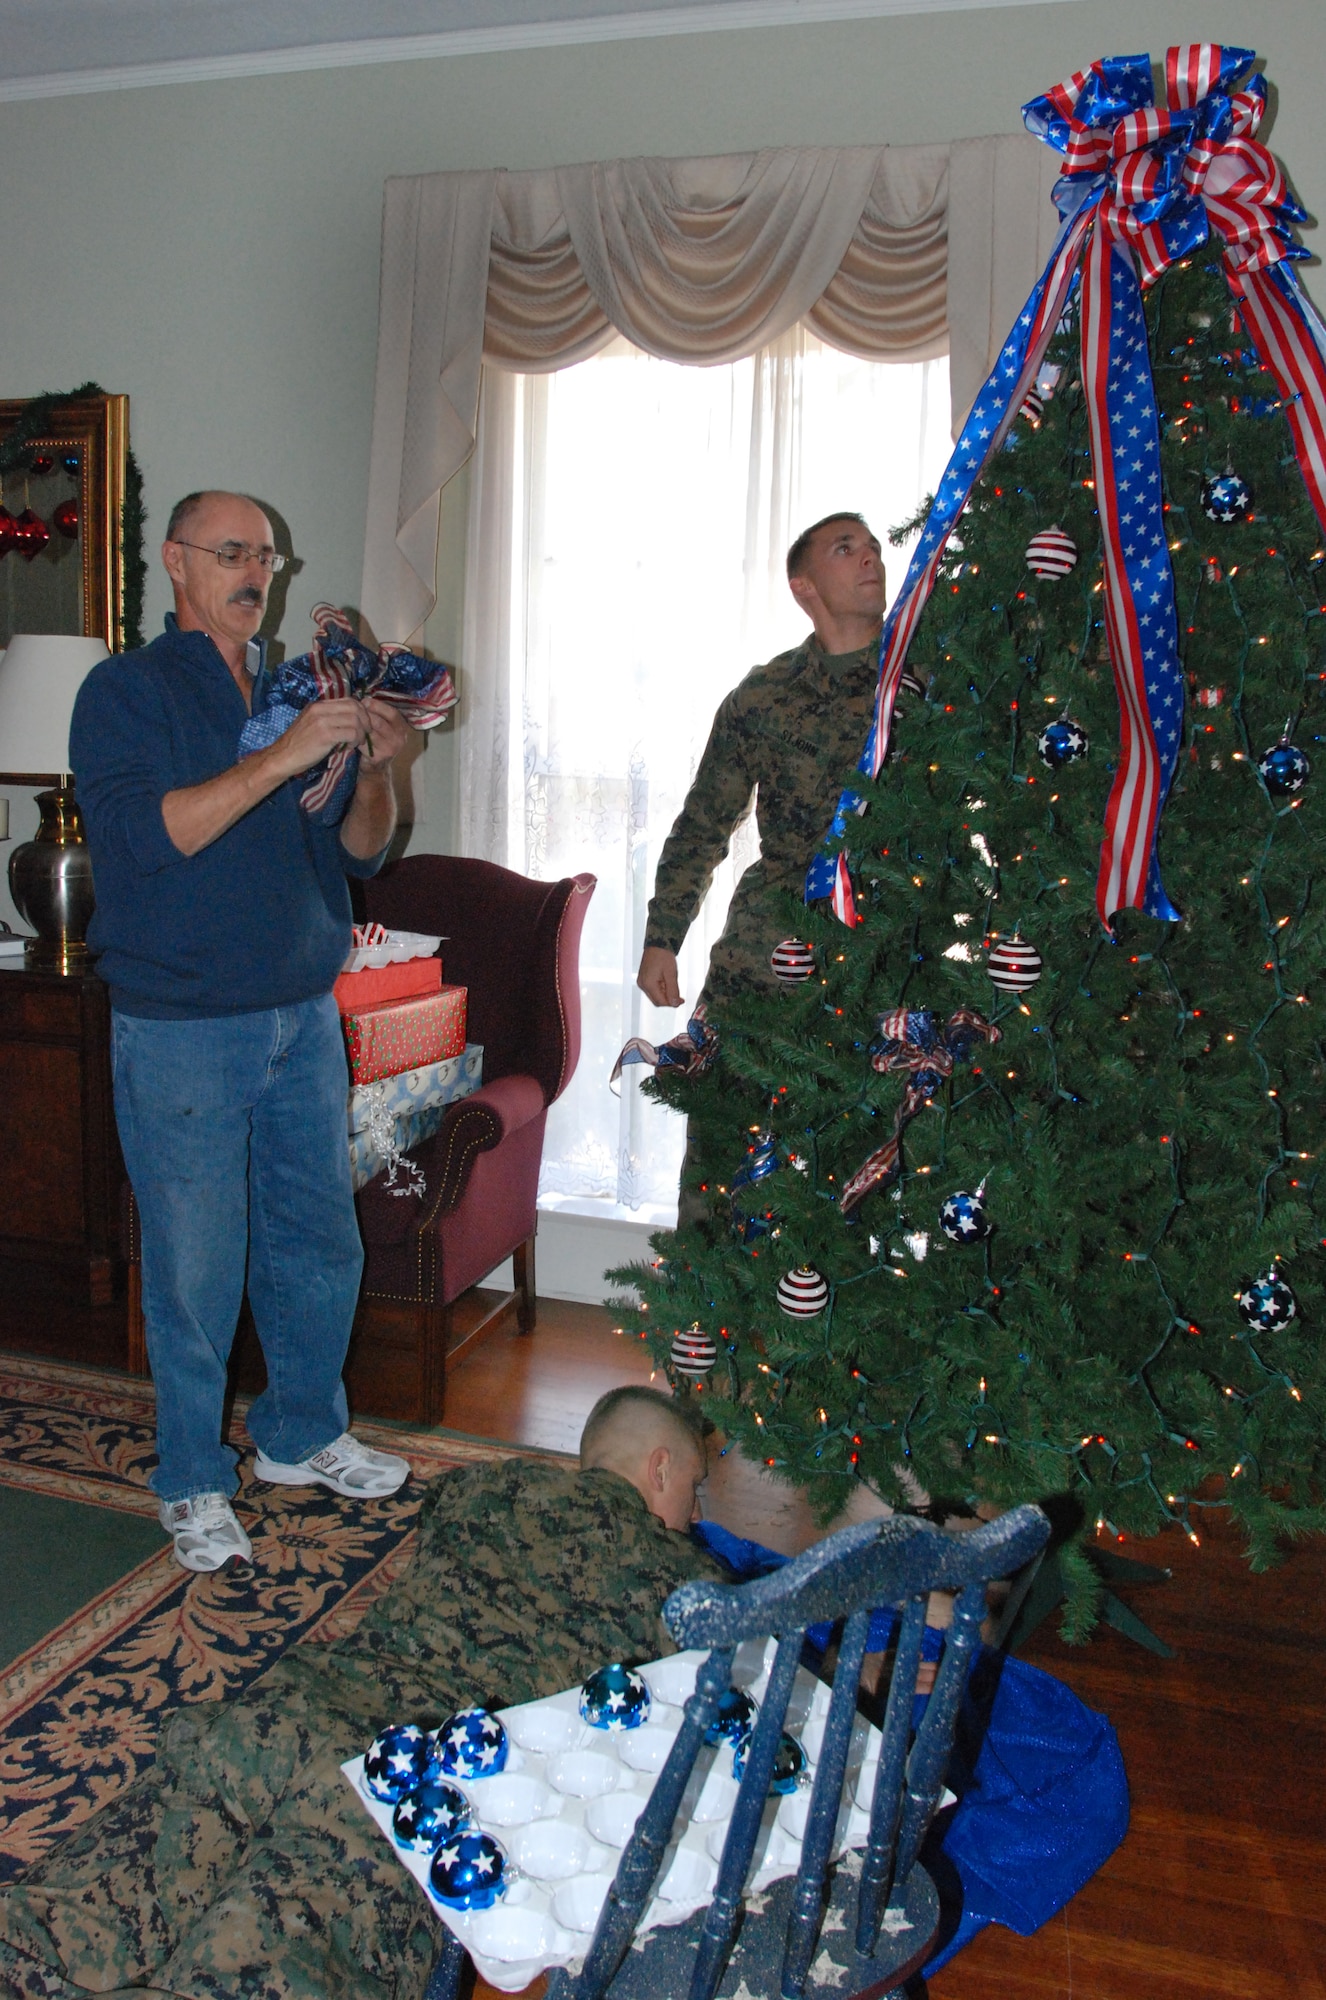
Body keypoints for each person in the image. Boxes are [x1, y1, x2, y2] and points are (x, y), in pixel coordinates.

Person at [0, 1387, 725, 2000]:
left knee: (98, 1893)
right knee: (267, 1959)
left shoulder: (482, 1485)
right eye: (693, 1495)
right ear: (660, 1469)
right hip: (409, 1776)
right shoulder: (678, 1576)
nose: (694, 1519)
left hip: (291, 1707)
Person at [70, 491, 414, 1576]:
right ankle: (191, 1478)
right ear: (177, 563)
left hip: (301, 1013)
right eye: (232, 552)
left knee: (321, 1242)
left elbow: (360, 849)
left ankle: (302, 1432)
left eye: (267, 553)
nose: (256, 571)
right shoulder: (123, 688)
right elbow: (141, 838)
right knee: (195, 1265)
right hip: (181, 1026)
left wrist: (381, 760)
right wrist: (280, 755)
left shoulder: (292, 685)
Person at [637, 512, 922, 1014]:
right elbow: (704, 823)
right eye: (845, 547)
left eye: (873, 546)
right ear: (803, 587)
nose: (870, 556)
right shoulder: (764, 695)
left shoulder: (924, 682)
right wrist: (662, 939)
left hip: (891, 957)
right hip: (768, 953)